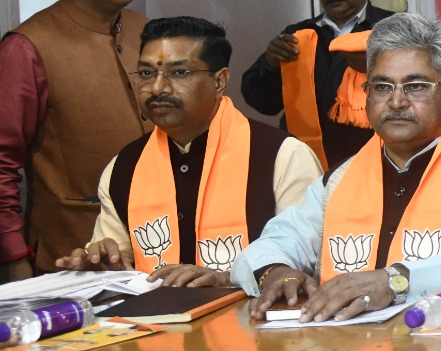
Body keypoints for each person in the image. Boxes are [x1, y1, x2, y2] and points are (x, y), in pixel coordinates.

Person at [234, 13, 441, 321]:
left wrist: (396, 281)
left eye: (416, 86)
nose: (396, 101)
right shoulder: (338, 180)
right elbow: (267, 247)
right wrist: (276, 272)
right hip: (339, 346)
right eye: (382, 87)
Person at [55, 17, 320, 285]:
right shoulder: (125, 166)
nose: (157, 88)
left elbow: (312, 263)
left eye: (179, 72)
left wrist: (229, 280)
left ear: (219, 81)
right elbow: (118, 261)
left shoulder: (281, 156)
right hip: (152, 311)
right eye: (146, 73)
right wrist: (101, 267)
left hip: (252, 311)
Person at [0, 0, 150, 278]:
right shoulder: (27, 47)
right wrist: (13, 258)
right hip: (70, 259)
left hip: (156, 251)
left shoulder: (147, 32)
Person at [240, 0, 394, 172]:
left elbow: (422, 89)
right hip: (306, 167)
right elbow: (262, 103)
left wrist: (379, 68)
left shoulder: (393, 27)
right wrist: (270, 66)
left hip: (373, 163)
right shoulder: (299, 34)